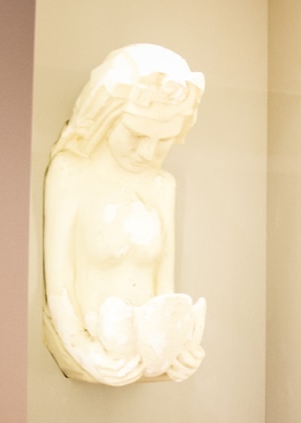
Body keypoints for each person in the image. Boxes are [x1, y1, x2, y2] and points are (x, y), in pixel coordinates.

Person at [43, 44, 207, 386]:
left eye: (165, 140)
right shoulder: (71, 172)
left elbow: (164, 287)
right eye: (136, 135)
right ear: (105, 118)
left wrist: (176, 350)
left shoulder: (161, 185)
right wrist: (83, 350)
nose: (148, 152)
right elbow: (59, 284)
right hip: (93, 346)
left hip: (142, 352)